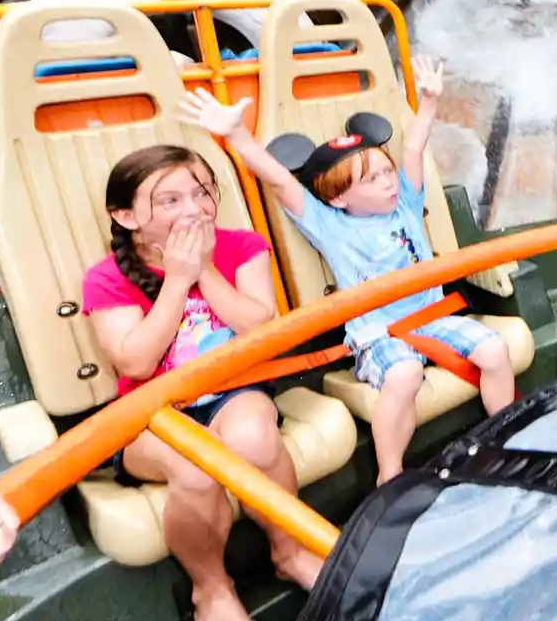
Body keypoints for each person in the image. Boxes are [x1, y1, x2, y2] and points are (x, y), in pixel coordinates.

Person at [178, 56, 516, 486]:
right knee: (404, 374)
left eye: (387, 172)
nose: (389, 182)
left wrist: (428, 102)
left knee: (495, 351)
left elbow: (413, 147)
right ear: (339, 199)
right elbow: (281, 181)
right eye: (373, 180)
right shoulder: (331, 225)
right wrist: (237, 135)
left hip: (435, 318)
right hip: (380, 335)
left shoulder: (407, 203)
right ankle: (390, 473)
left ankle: (503, 440)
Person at [83, 144, 318, 621]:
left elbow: (262, 334)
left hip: (233, 391)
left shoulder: (243, 247)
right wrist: (175, 279)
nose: (193, 208)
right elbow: (137, 362)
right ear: (125, 216)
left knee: (257, 438)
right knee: (193, 464)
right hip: (152, 415)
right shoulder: (104, 278)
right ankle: (211, 589)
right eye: (169, 200)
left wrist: (206, 271)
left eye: (201, 192)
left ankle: (290, 549)